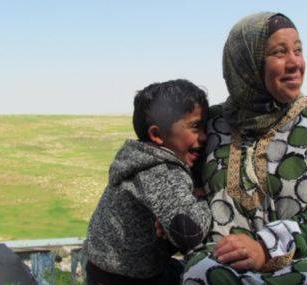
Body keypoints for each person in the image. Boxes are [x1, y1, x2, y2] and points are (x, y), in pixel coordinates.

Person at [180, 12, 307, 285]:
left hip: (302, 265)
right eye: (279, 52)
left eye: (298, 51)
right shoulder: (211, 122)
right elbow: (184, 185)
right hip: (221, 265)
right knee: (200, 275)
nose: (295, 62)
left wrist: (266, 246)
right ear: (246, 64)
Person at [83, 79, 212, 285]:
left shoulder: (139, 159)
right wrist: (203, 197)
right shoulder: (161, 172)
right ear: (157, 134)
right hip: (128, 278)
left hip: (103, 269)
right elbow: (189, 233)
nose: (204, 137)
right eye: (195, 127)